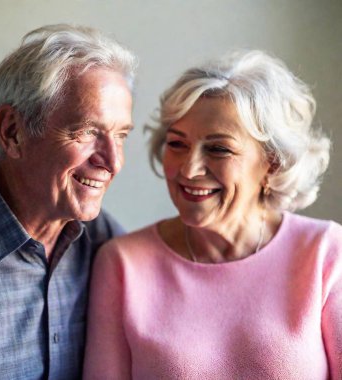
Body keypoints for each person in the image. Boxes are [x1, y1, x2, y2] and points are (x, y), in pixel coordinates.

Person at [84, 50, 342, 379]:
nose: (189, 170)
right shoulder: (122, 264)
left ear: (272, 163)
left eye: (218, 148)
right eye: (177, 144)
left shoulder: (325, 252)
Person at [0, 24, 137, 379]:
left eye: (120, 136)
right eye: (87, 132)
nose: (113, 162)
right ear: (12, 131)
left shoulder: (104, 242)